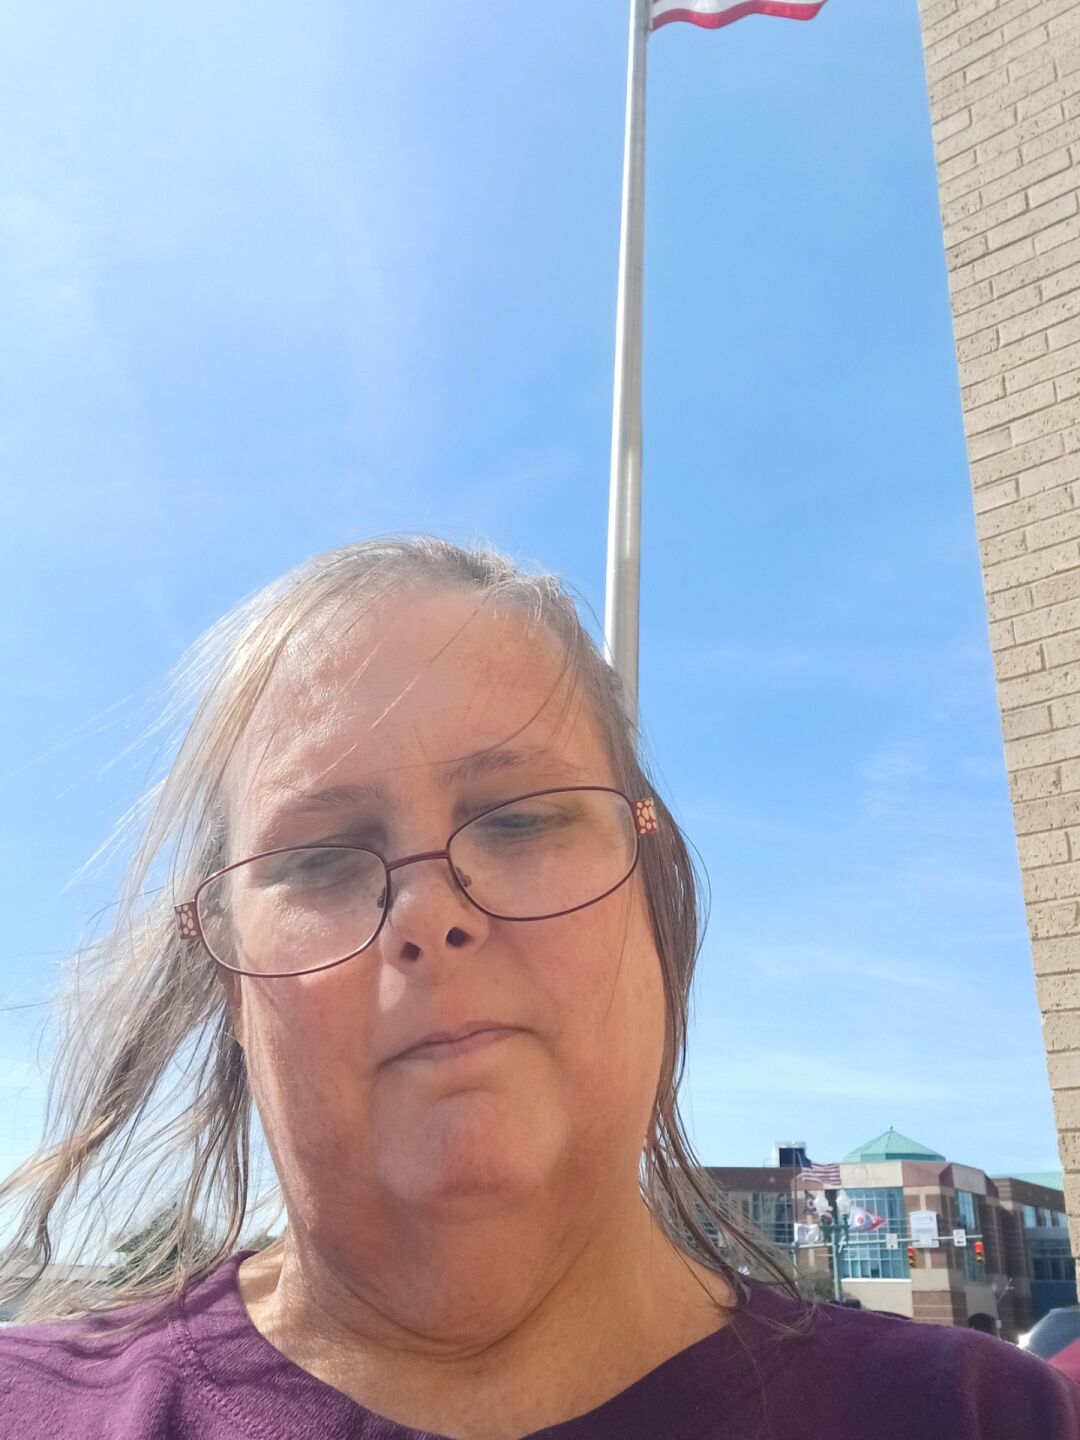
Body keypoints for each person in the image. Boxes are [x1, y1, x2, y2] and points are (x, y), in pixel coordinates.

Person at [0, 537, 1077, 1440]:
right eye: (320, 858)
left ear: (654, 896)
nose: (431, 912)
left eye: (519, 821)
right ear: (230, 984)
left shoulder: (980, 1416)